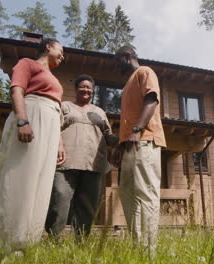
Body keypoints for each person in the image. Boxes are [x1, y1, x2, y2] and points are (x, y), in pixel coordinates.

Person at [0, 38, 66, 250]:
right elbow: (17, 90)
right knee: (21, 177)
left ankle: (26, 242)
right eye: (61, 50)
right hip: (32, 115)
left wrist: (59, 143)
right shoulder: (27, 63)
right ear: (48, 46)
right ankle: (3, 242)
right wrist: (22, 120)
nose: (63, 56)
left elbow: (56, 112)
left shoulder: (53, 76)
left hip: (50, 125)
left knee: (41, 182)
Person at [45, 74, 117, 239]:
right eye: (82, 87)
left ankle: (81, 241)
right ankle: (53, 240)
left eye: (89, 88)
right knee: (59, 201)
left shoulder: (99, 112)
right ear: (76, 89)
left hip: (93, 164)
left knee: (87, 206)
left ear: (93, 91)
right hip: (65, 163)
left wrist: (122, 138)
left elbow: (108, 136)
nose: (86, 90)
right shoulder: (65, 107)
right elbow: (53, 128)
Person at [112, 46, 166, 249]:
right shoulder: (127, 85)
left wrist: (136, 130)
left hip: (145, 140)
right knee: (128, 195)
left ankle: (148, 249)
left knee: (145, 193)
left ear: (127, 57)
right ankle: (138, 246)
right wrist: (120, 145)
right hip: (129, 145)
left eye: (116, 60)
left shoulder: (145, 72)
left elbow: (151, 100)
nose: (114, 66)